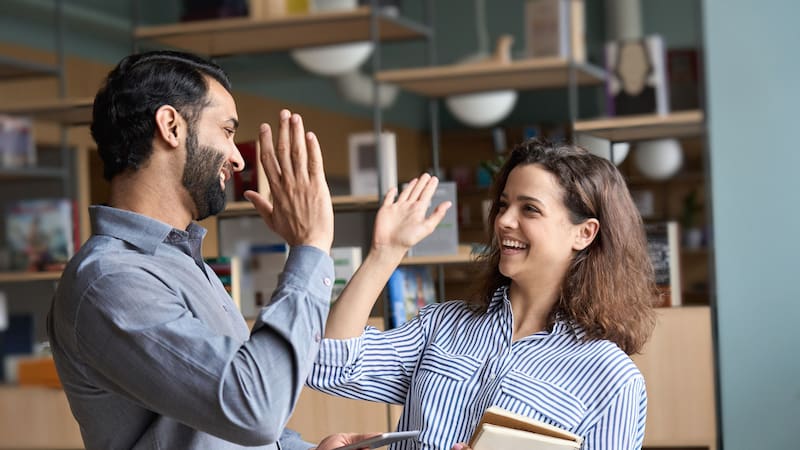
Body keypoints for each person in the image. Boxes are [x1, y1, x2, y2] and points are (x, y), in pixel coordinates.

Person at [47, 50, 375, 450]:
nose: (237, 159)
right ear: (171, 126)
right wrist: (310, 247)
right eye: (227, 130)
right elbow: (253, 409)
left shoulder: (182, 262)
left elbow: (217, 426)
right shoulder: (111, 281)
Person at [308, 139, 658, 449]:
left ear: (584, 233)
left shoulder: (612, 380)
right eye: (504, 205)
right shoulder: (442, 325)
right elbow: (329, 365)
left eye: (530, 209)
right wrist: (385, 253)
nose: (504, 221)